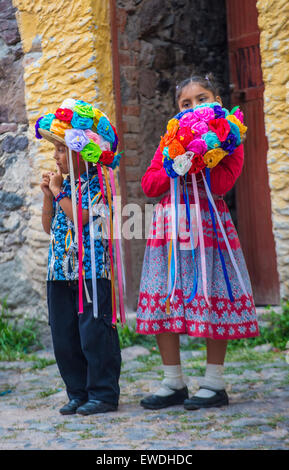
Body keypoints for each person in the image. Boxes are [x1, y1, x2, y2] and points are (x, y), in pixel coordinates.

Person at [136, 72, 259, 410]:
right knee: (165, 292)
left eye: (201, 99)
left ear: (216, 101)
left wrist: (206, 154)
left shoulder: (229, 137)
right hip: (170, 228)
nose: (193, 107)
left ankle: (214, 383)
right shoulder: (169, 140)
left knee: (211, 290)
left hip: (209, 225)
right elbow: (149, 185)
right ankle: (173, 381)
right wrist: (173, 166)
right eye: (185, 103)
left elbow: (221, 185)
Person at [38, 100, 122, 416]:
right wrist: (50, 197)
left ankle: (102, 393)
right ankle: (77, 390)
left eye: (62, 148)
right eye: (55, 149)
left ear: (82, 149)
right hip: (60, 270)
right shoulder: (67, 184)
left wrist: (60, 194)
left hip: (91, 270)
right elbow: (49, 226)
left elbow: (82, 219)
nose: (56, 155)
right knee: (65, 333)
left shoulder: (100, 182)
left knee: (93, 331)